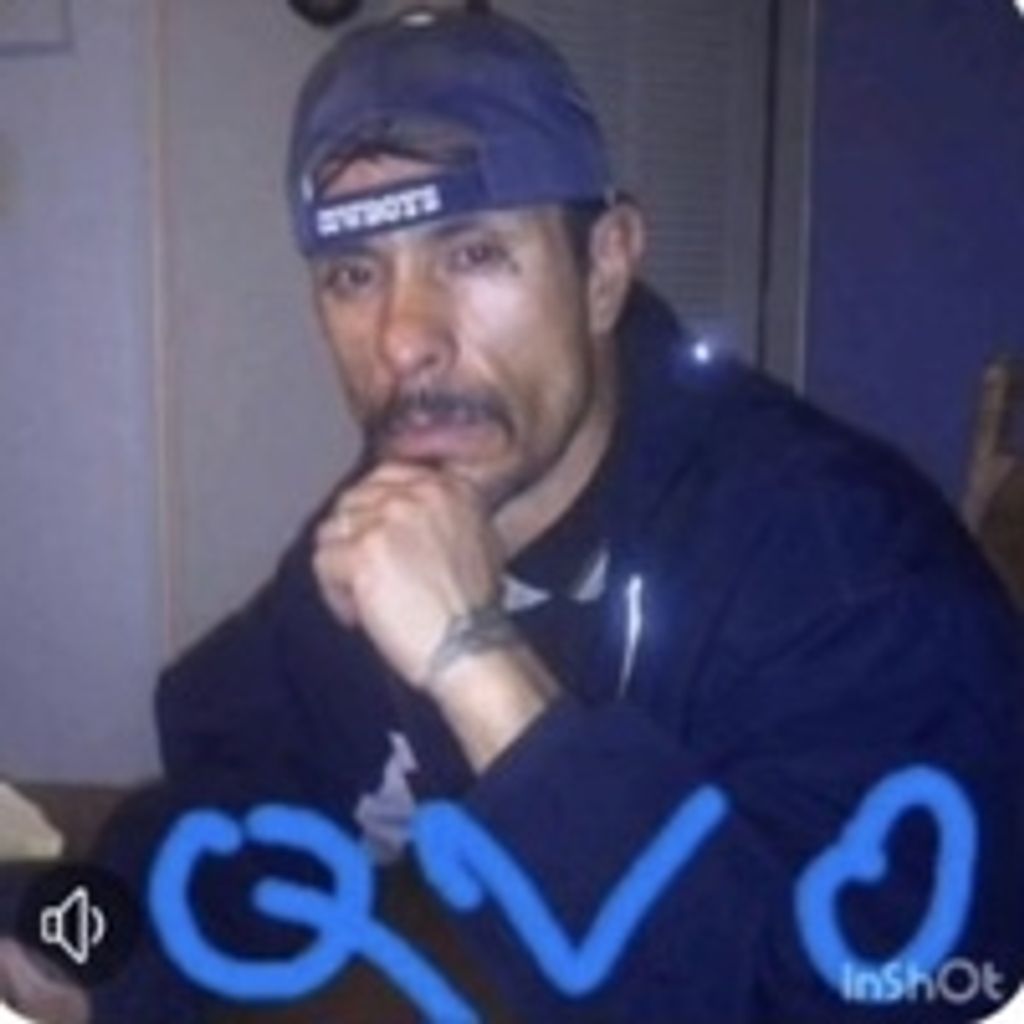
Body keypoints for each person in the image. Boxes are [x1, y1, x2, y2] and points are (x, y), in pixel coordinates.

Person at [4, 6, 1024, 1023]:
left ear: (604, 269)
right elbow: (245, 787)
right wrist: (90, 941)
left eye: (473, 253)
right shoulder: (405, 516)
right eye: (355, 275)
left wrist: (474, 660)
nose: (404, 340)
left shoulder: (852, 578)